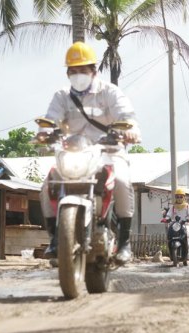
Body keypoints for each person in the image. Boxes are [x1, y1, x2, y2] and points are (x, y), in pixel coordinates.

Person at [39, 41, 141, 264]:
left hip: (109, 151)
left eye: (82, 70)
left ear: (93, 71)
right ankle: (56, 239)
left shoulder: (109, 93)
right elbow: (50, 119)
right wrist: (44, 132)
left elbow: (126, 114)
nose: (78, 75)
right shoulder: (61, 96)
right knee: (47, 184)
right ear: (67, 73)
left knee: (122, 181)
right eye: (73, 71)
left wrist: (131, 130)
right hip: (74, 153)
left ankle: (124, 242)